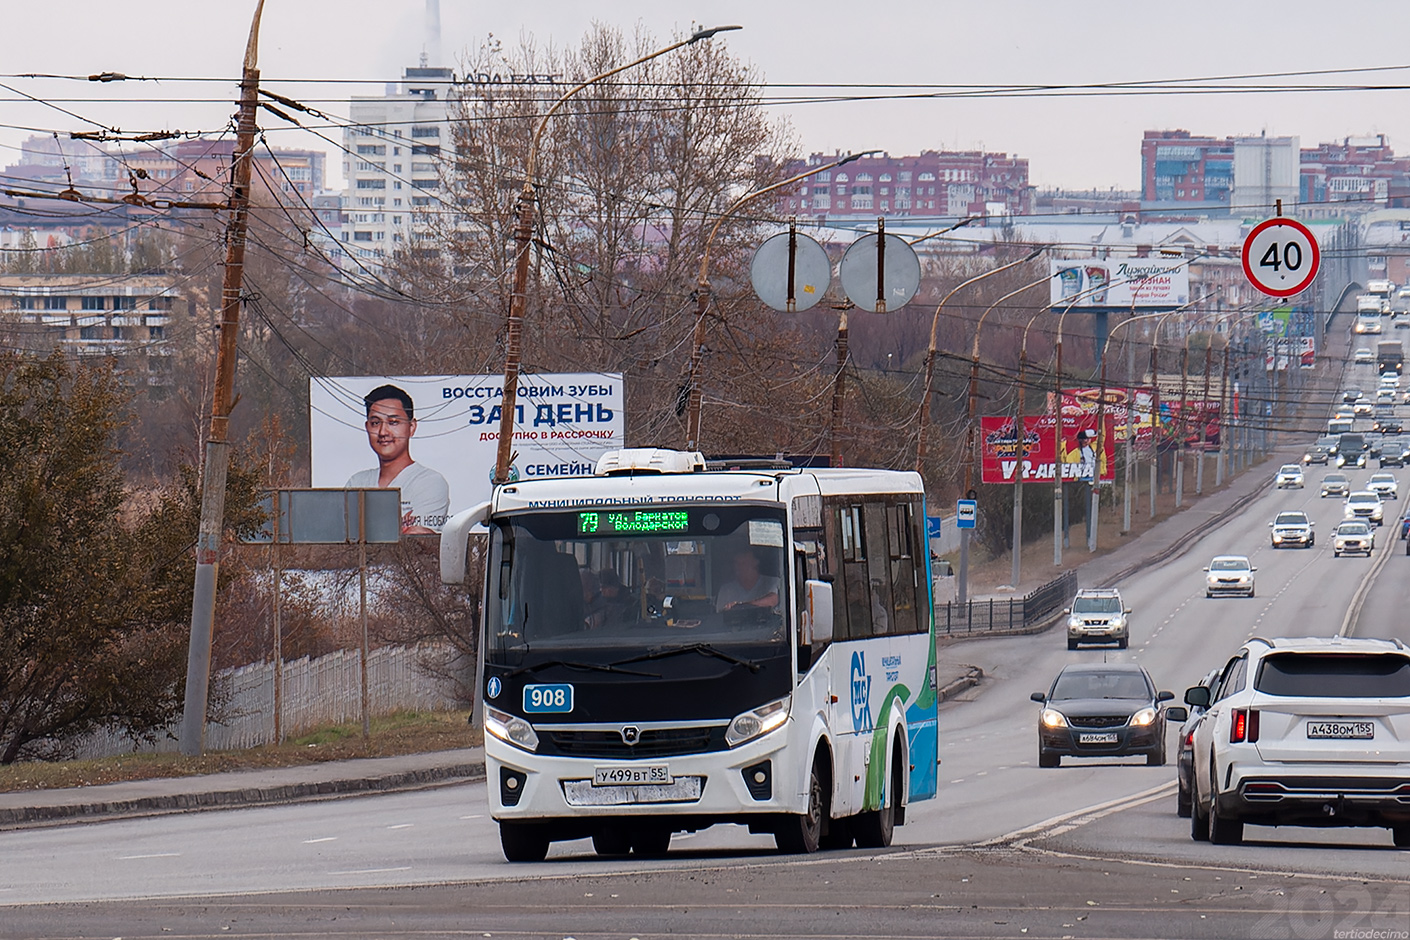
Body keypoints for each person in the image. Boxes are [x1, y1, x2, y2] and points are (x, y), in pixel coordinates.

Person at [345, 384, 450, 535]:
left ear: (412, 427)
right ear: (367, 427)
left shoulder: (430, 482)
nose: (383, 432)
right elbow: (343, 540)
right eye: (375, 423)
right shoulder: (357, 483)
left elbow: (415, 543)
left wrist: (365, 531)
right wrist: (396, 529)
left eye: (393, 422)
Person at [715, 548, 780, 612]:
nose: (738, 567)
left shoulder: (773, 582)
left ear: (755, 563)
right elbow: (720, 616)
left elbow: (773, 600)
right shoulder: (726, 590)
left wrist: (740, 607)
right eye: (736, 563)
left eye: (743, 563)